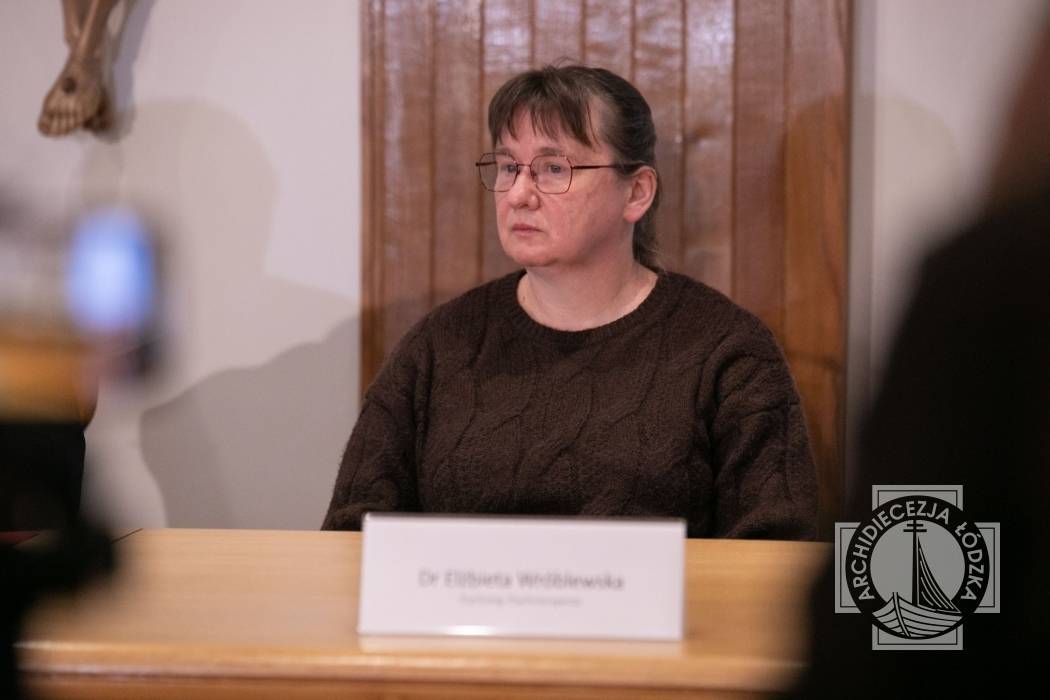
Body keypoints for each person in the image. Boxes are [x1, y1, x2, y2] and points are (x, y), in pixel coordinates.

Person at [323, 65, 818, 539]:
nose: (518, 194)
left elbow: (776, 549)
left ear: (636, 193)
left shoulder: (728, 350)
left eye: (553, 168)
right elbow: (351, 533)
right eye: (509, 167)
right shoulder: (439, 344)